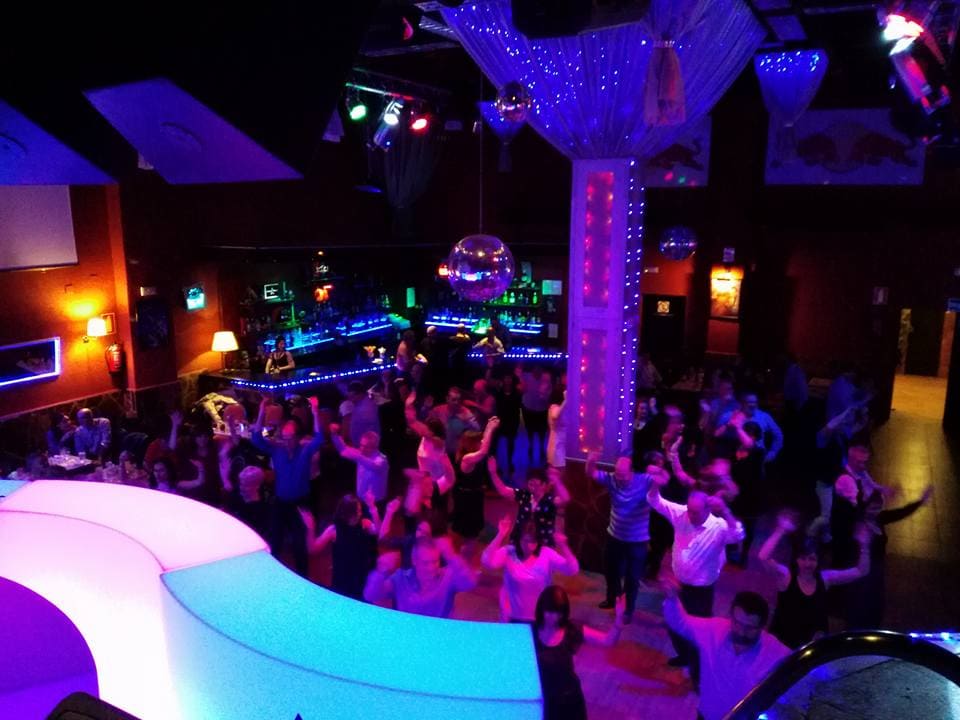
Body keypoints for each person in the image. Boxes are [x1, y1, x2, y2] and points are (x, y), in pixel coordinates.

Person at [648, 469, 745, 671]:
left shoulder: (718, 526)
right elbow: (654, 501)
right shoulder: (682, 513)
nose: (690, 515)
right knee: (673, 623)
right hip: (677, 584)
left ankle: (699, 666)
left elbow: (738, 535)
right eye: (689, 510)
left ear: (708, 509)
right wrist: (656, 484)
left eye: (696, 512)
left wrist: (726, 511)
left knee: (698, 629)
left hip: (701, 591)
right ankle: (685, 656)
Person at [662, 584, 790, 720]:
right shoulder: (713, 630)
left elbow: (799, 675)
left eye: (750, 628)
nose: (741, 632)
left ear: (763, 626)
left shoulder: (776, 651)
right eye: (737, 623)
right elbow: (681, 623)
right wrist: (672, 599)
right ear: (731, 616)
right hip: (706, 715)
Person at [759, 512, 871, 648]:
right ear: (796, 560)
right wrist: (780, 530)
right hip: (783, 644)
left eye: (812, 559)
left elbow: (861, 571)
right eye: (803, 558)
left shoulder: (826, 578)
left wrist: (865, 546)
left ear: (818, 561)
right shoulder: (786, 576)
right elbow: (763, 557)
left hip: (812, 645)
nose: (807, 564)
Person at [250, 395, 325, 577]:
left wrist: (315, 411)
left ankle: (303, 578)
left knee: (300, 544)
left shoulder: (305, 450)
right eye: (284, 437)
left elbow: (320, 438)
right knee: (275, 541)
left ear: (297, 437)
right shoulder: (277, 449)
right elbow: (256, 438)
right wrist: (262, 410)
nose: (286, 441)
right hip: (281, 502)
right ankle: (274, 577)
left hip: (300, 503)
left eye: (290, 437)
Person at [533, 585, 625, 720]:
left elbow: (607, 641)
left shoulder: (572, 630)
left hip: (568, 698)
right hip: (542, 698)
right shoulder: (530, 632)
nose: (555, 617)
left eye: (559, 613)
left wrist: (618, 622)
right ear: (541, 609)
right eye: (550, 612)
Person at [586, 451, 657, 623]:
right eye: (617, 474)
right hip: (614, 535)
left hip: (637, 541)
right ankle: (612, 599)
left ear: (631, 471)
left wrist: (659, 472)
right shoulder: (611, 479)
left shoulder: (644, 480)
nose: (620, 478)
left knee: (632, 577)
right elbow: (591, 473)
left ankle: (628, 610)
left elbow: (663, 481)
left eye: (623, 475)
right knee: (610, 570)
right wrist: (591, 461)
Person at [482, 517, 580, 622]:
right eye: (526, 541)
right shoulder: (509, 552)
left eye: (533, 541)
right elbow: (487, 561)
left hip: (539, 617)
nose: (529, 546)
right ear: (519, 538)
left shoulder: (546, 553)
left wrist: (563, 546)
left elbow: (573, 569)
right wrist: (500, 535)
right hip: (511, 615)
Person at [363, 536, 477, 618]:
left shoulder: (447, 576)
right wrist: (381, 572)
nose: (431, 568)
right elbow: (370, 595)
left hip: (438, 634)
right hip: (408, 633)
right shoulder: (401, 578)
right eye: (425, 563)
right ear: (414, 560)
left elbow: (470, 583)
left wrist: (451, 555)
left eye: (435, 561)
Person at [299, 492, 380, 600]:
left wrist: (372, 507)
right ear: (348, 512)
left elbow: (378, 531)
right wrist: (310, 528)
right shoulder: (334, 530)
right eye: (357, 511)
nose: (360, 513)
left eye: (360, 510)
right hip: (342, 579)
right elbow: (312, 549)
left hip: (361, 577)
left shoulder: (364, 524)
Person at [490, 466, 570, 548]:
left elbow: (565, 499)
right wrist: (493, 473)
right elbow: (503, 491)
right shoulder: (525, 495)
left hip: (542, 543)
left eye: (536, 485)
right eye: (530, 484)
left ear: (544, 485)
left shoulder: (549, 500)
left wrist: (556, 480)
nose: (533, 488)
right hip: (520, 540)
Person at [451, 418, 499, 543]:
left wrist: (488, 427)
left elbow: (483, 444)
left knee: (472, 528)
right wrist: (490, 429)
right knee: (469, 530)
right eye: (478, 441)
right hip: (467, 498)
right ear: (472, 444)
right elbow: (483, 451)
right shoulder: (467, 458)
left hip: (473, 495)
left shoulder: (467, 454)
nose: (482, 442)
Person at [329, 426, 389, 504]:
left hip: (376, 503)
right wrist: (334, 434)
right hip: (360, 500)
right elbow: (343, 449)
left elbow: (373, 465)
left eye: (366, 447)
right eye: (361, 445)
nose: (361, 448)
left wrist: (358, 456)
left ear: (374, 447)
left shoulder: (382, 459)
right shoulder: (360, 454)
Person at [428, 386, 480, 456]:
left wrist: (467, 421)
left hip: (456, 454)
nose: (456, 402)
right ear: (447, 399)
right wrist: (426, 408)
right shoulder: (439, 410)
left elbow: (477, 429)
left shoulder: (466, 412)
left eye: (459, 400)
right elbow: (425, 422)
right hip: (440, 452)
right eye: (454, 400)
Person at [519, 365, 553, 467]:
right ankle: (531, 447)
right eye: (535, 370)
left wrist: (545, 395)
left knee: (542, 432)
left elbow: (549, 394)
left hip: (541, 410)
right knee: (530, 431)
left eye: (539, 370)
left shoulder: (546, 379)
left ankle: (542, 449)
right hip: (529, 409)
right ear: (532, 371)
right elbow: (521, 384)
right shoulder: (526, 376)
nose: (537, 372)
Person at [339, 380, 381, 448]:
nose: (351, 400)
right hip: (363, 446)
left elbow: (369, 430)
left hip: (368, 447)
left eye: (353, 397)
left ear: (361, 394)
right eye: (350, 397)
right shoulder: (360, 403)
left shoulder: (367, 408)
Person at [545, 388, 567, 471]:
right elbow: (555, 415)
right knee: (559, 465)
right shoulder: (554, 407)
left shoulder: (558, 407)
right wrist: (565, 401)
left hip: (560, 439)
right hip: (557, 439)